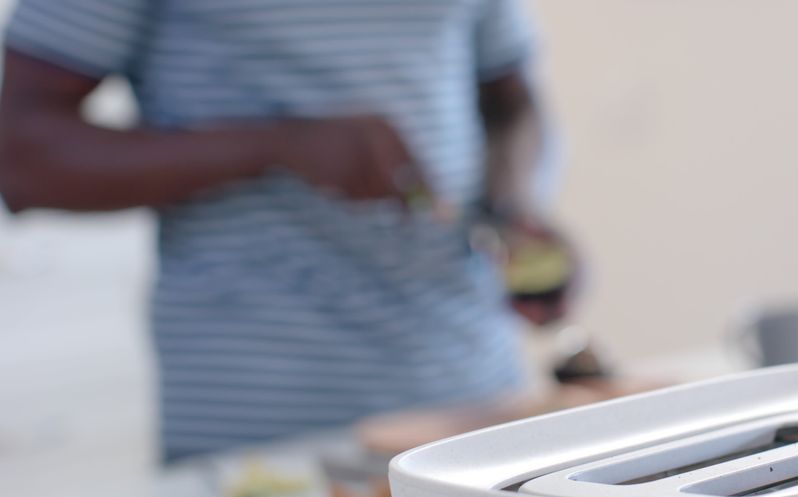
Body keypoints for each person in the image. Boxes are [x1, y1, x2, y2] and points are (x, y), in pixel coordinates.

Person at [0, 0, 564, 462]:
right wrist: (276, 147)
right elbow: (20, 157)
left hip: (471, 399)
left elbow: (511, 102)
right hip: (261, 428)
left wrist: (513, 207)